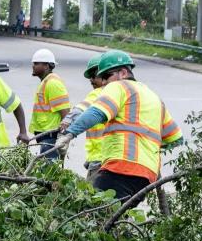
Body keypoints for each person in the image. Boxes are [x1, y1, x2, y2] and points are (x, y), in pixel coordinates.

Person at [55, 50, 182, 200]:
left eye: (106, 77)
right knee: (113, 217)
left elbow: (96, 113)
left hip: (121, 167)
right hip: (147, 175)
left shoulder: (119, 86)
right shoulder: (154, 97)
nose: (103, 82)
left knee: (93, 211)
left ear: (123, 72)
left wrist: (69, 133)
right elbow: (175, 138)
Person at [58, 55, 108, 181]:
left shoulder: (100, 93)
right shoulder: (124, 93)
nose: (91, 80)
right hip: (113, 159)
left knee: (95, 199)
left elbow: (80, 109)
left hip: (101, 160)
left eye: (93, 75)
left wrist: (66, 123)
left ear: (104, 75)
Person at [28, 48, 71, 160]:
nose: (33, 66)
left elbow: (65, 113)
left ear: (47, 66)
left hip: (51, 137)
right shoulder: (46, 82)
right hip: (45, 136)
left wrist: (63, 137)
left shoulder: (53, 83)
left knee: (48, 172)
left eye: (36, 63)